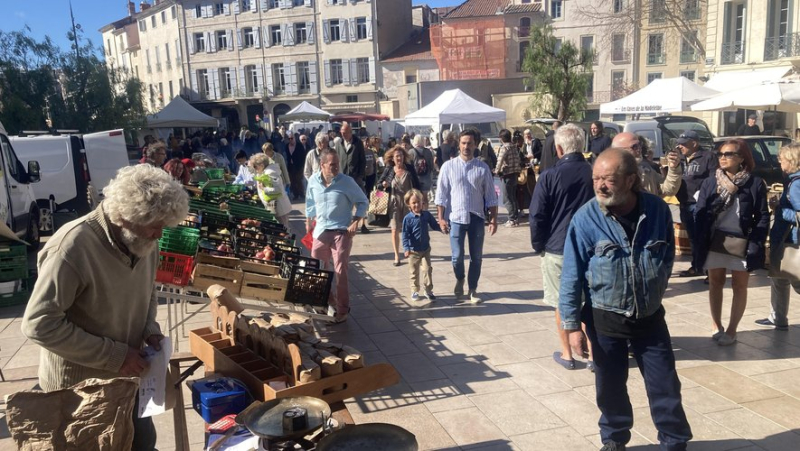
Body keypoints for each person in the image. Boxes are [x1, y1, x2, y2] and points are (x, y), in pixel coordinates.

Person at [21, 164, 189, 450]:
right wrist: (115, 355)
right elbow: (39, 324)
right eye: (154, 226)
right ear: (125, 218)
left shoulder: (145, 241)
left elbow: (146, 292)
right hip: (81, 392)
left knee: (143, 442)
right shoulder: (72, 247)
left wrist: (149, 329)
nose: (159, 235)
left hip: (129, 379)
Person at [560, 148, 693, 451]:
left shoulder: (657, 210)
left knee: (665, 385)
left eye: (608, 179)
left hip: (649, 317)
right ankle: (615, 439)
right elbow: (571, 275)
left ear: (631, 179)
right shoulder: (585, 219)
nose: (600, 186)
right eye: (596, 179)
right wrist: (572, 327)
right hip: (605, 319)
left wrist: (653, 287)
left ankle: (674, 441)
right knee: (610, 387)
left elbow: (668, 256)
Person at [529, 123, 595, 371]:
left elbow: (537, 215)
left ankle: (567, 353)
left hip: (557, 248)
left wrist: (538, 245)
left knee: (562, 302)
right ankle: (593, 355)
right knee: (590, 301)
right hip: (590, 248)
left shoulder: (549, 176)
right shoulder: (594, 172)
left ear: (558, 149)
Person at [695, 139, 768, 346]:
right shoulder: (711, 182)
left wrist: (757, 241)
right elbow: (700, 214)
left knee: (739, 285)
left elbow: (762, 215)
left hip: (742, 241)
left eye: (728, 154)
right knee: (715, 282)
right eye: (720, 154)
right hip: (715, 239)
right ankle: (716, 324)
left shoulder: (754, 183)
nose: (723, 158)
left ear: (742, 158)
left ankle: (732, 329)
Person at [305, 148, 369, 323]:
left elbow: (363, 201)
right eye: (332, 165)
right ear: (322, 165)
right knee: (318, 269)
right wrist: (308, 221)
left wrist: (356, 220)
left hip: (341, 232)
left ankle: (342, 309)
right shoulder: (313, 181)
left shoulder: (346, 182)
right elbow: (310, 202)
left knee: (340, 271)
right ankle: (328, 299)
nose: (335, 169)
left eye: (337, 165)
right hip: (320, 231)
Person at [435, 129, 498, 303]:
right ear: (458, 144)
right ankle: (460, 277)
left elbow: (491, 196)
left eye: (470, 143)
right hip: (456, 217)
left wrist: (493, 219)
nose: (466, 146)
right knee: (457, 257)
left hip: (477, 217)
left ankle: (472, 289)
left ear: (475, 145)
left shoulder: (482, 167)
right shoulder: (448, 166)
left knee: (476, 257)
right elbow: (441, 194)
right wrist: (441, 218)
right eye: (463, 143)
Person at [759, 143, 800, 330]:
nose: (779, 161)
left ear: (791, 161)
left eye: (781, 158)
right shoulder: (791, 180)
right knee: (779, 279)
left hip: (791, 241)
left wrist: (779, 209)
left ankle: (778, 317)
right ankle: (778, 317)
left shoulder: (796, 183)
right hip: (787, 239)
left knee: (793, 280)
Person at [676, 130, 718, 277]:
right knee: (693, 237)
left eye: (683, 144)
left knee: (703, 236)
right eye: (679, 144)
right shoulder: (679, 159)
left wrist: (706, 199)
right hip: (684, 202)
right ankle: (697, 266)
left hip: (699, 203)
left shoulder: (708, 157)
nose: (680, 147)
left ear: (694, 143)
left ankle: (707, 268)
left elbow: (713, 179)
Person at [379, 146, 422, 266]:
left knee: (410, 229)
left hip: (409, 204)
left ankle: (410, 251)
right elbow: (379, 185)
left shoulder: (409, 168)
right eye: (397, 156)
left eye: (401, 155)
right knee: (394, 230)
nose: (399, 158)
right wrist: (383, 185)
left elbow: (417, 185)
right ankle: (397, 256)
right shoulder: (389, 170)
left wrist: (420, 200)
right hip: (394, 203)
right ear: (393, 158)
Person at [612, 132, 682, 196]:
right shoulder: (614, 173)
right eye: (634, 147)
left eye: (639, 145)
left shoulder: (646, 169)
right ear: (620, 150)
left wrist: (674, 168)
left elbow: (667, 190)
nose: (639, 149)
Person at [402, 189, 442, 301]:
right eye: (413, 203)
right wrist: (406, 248)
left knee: (427, 269)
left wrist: (443, 228)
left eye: (418, 201)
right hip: (413, 251)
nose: (416, 204)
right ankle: (414, 290)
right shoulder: (408, 218)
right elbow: (405, 235)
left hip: (425, 249)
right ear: (409, 204)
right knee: (414, 271)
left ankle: (428, 290)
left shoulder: (427, 215)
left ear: (422, 202)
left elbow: (434, 225)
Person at [250, 153, 292, 229]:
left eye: (255, 167)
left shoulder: (271, 172)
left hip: (279, 208)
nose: (255, 169)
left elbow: (278, 189)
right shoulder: (263, 172)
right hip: (273, 206)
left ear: (262, 165)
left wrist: (264, 189)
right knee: (280, 229)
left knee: (284, 229)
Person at [495, 129, 523, 227]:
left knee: (506, 198)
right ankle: (515, 218)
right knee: (513, 197)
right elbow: (518, 160)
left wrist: (496, 171)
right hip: (515, 174)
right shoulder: (514, 147)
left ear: (501, 138)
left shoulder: (504, 147)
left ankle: (512, 219)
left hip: (507, 175)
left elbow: (500, 160)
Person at [410, 134, 435, 202]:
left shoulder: (411, 152)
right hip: (426, 176)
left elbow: (409, 165)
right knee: (425, 196)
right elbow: (431, 165)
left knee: (416, 196)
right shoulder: (428, 151)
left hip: (416, 177)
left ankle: (417, 210)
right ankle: (425, 210)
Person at [285, 134, 307, 201]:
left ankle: (302, 194)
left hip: (298, 165)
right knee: (292, 181)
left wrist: (303, 165)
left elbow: (303, 156)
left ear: (294, 138)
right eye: (289, 139)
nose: (290, 140)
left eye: (292, 138)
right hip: (290, 166)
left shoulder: (299, 145)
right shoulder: (286, 146)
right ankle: (296, 195)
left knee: (299, 180)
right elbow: (286, 155)